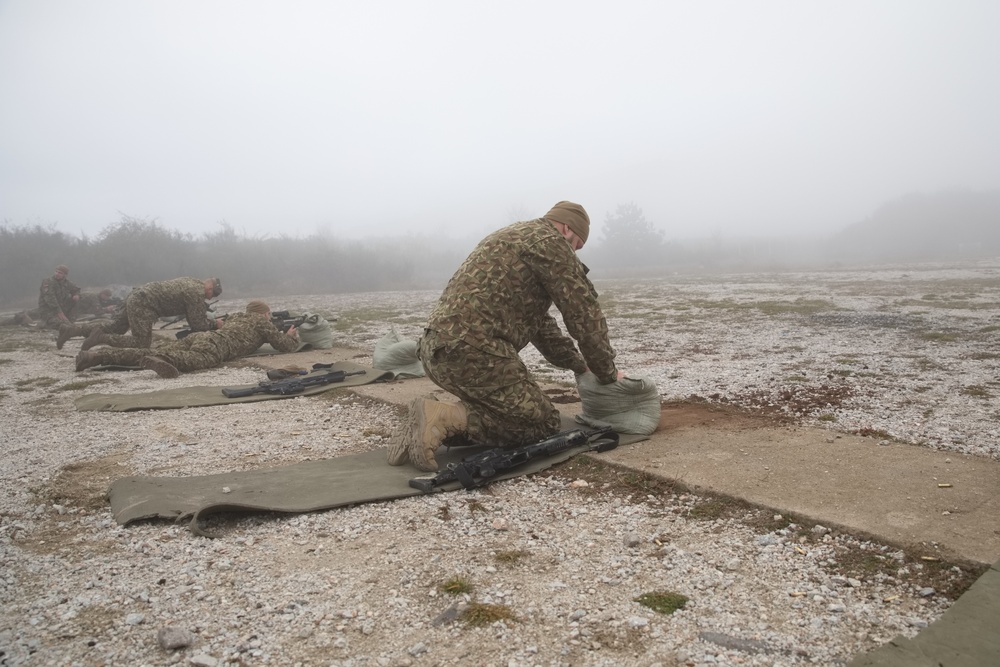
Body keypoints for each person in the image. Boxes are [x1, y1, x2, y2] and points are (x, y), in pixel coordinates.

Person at [388, 200, 623, 472]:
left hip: (436, 351)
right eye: (577, 245)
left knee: (505, 409)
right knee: (541, 422)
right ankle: (444, 418)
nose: (574, 252)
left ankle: (431, 427)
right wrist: (606, 374)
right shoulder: (553, 245)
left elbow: (541, 327)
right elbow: (585, 315)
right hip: (474, 352)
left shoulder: (512, 236)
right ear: (567, 229)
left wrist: (579, 365)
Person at [74, 300, 299, 377]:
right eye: (268, 314)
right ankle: (167, 361)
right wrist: (290, 336)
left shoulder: (236, 317)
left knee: (151, 351)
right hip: (215, 345)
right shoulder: (261, 322)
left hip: (203, 336)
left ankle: (96, 356)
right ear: (264, 314)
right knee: (184, 359)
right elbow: (284, 347)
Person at [80, 277, 223, 350]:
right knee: (141, 343)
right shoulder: (196, 292)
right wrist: (215, 324)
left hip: (139, 296)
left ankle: (75, 330)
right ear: (209, 286)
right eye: (213, 293)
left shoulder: (193, 282)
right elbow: (198, 324)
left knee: (117, 327)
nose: (211, 297)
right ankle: (100, 338)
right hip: (144, 304)